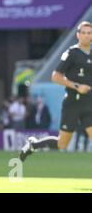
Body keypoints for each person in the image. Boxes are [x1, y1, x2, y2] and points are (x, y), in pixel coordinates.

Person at [20, 21, 92, 161]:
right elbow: (55, 76)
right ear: (78, 35)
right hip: (73, 103)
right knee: (62, 144)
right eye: (83, 33)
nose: (86, 36)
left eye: (89, 33)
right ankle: (34, 144)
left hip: (89, 103)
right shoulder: (72, 53)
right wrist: (77, 86)